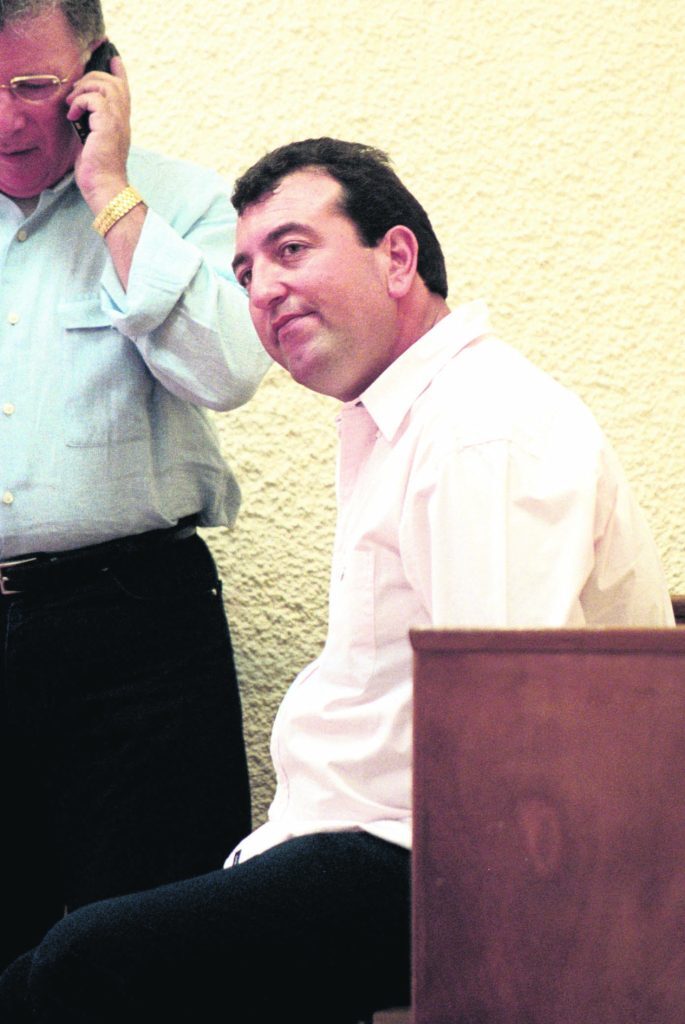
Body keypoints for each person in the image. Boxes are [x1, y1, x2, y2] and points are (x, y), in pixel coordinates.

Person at [0, 137, 674, 1023]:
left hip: (433, 863)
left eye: (292, 249)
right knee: (37, 971)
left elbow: (510, 758)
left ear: (396, 258)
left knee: (80, 967)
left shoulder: (480, 429)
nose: (262, 291)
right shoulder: (402, 418)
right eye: (244, 272)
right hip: (365, 841)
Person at [0, 0, 271, 974]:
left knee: (157, 963)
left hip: (134, 634)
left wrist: (110, 193)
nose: (6, 119)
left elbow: (226, 371)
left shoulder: (184, 203)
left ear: (99, 72)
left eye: (33, 85)